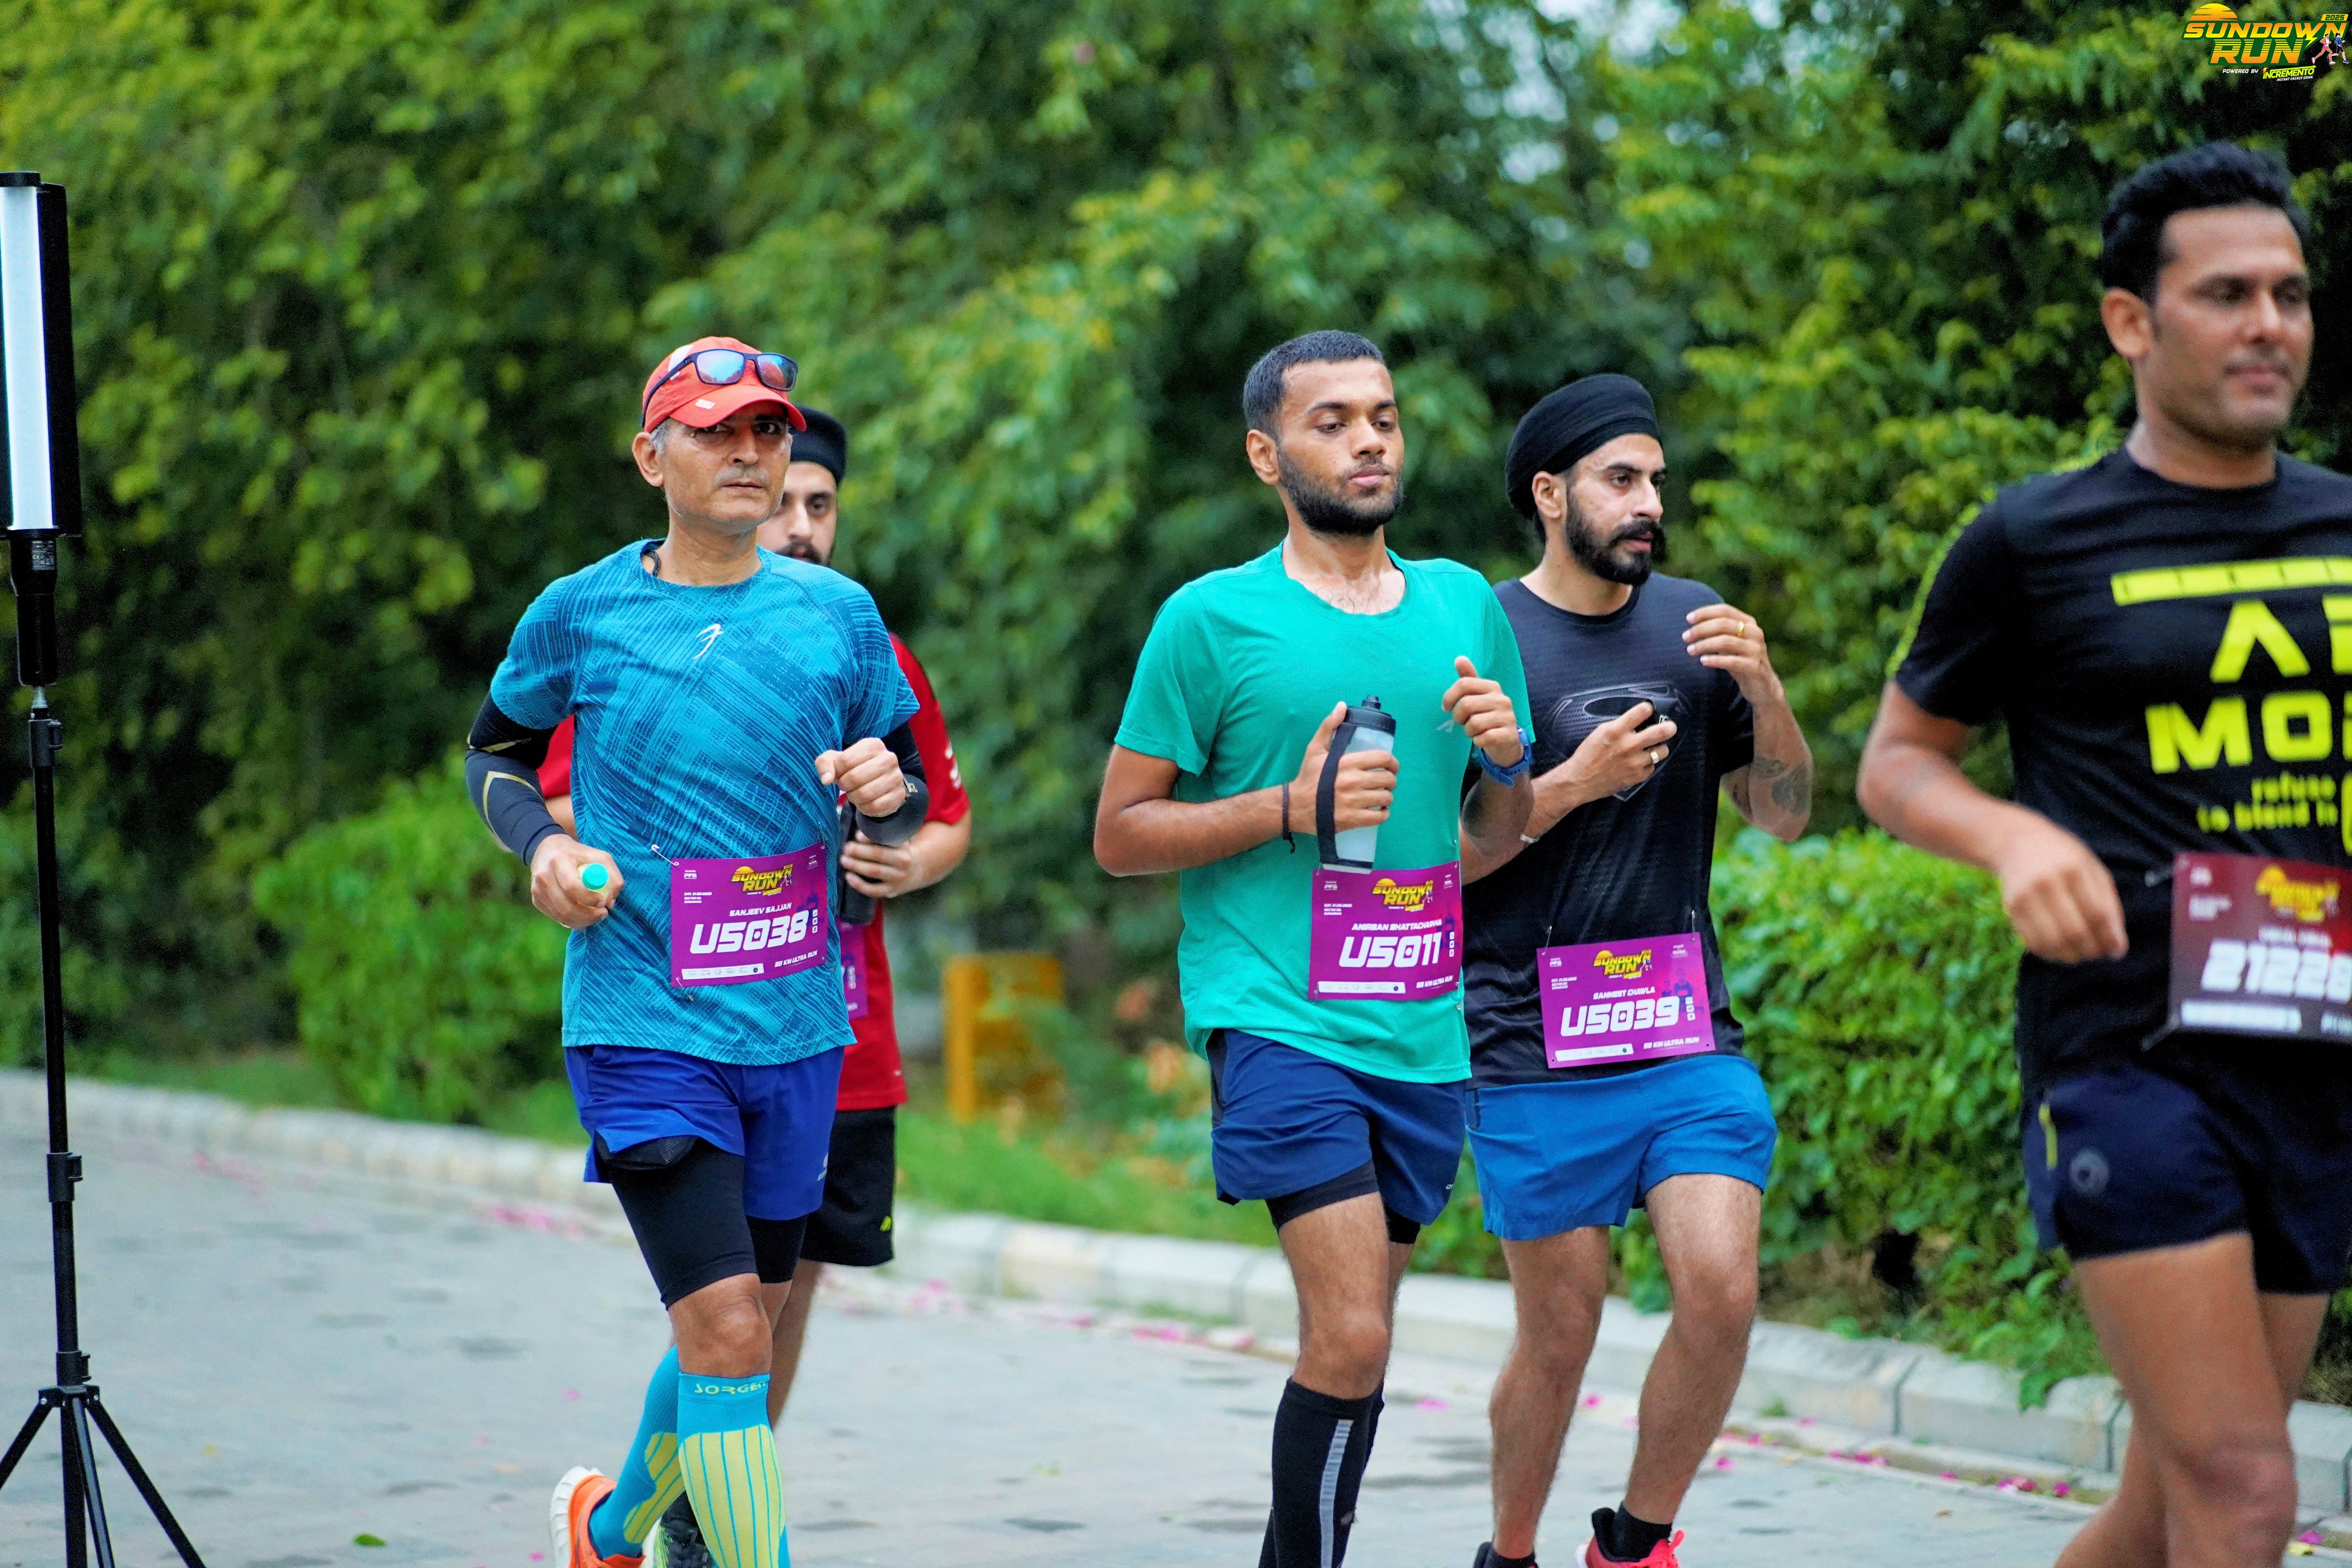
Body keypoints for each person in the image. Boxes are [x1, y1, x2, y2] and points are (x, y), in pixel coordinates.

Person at [1857, 143, 2351, 1568]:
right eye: (2227, 294)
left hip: (2313, 1051)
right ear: (2132, 320)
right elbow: (1897, 760)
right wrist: (2012, 834)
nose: (2270, 324)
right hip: (2127, 1057)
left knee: (2169, 1507)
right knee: (2247, 1493)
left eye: (2290, 294)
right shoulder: (2034, 538)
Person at [464, 335, 926, 1568]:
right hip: (643, 1016)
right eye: (716, 430)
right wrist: (543, 849)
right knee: (725, 1328)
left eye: (767, 430)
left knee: (748, 1324)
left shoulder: (840, 615)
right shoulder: (583, 611)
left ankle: (610, 1529)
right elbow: (495, 753)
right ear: (649, 455)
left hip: (796, 1026)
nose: (750, 450)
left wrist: (886, 796)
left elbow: (905, 791)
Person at [1094, 330, 1534, 1567]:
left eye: (1382, 416)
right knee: (1348, 1336)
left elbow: (1487, 842)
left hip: (1420, 1025)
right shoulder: (1211, 620)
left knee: (1360, 1353)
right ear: (1266, 454)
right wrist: (1288, 807)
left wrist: (1510, 762)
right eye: (1331, 421)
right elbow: (1120, 834)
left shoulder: (1464, 606)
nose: (1368, 439)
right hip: (1277, 1013)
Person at [1458, 375, 1812, 1568]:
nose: (1649, 501)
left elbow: (1784, 816)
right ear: (1550, 494)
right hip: (1527, 1043)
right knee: (1560, 1336)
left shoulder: (1698, 622)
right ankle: (1511, 1550)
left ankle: (1637, 1542)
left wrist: (1764, 690)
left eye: (1655, 478)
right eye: (1621, 479)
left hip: (1681, 1032)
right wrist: (1569, 786)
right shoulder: (1484, 635)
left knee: (1720, 1289)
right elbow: (1435, 861)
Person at [644, 409, 973, 1568]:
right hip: (697, 1025)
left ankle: (676, 1520)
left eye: (820, 505)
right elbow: (570, 799)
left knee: (781, 1298)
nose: (801, 525)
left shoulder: (868, 646)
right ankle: (697, 1530)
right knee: (725, 1300)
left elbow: (943, 819)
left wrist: (906, 861)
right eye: (784, 502)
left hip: (845, 1039)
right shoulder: (657, 634)